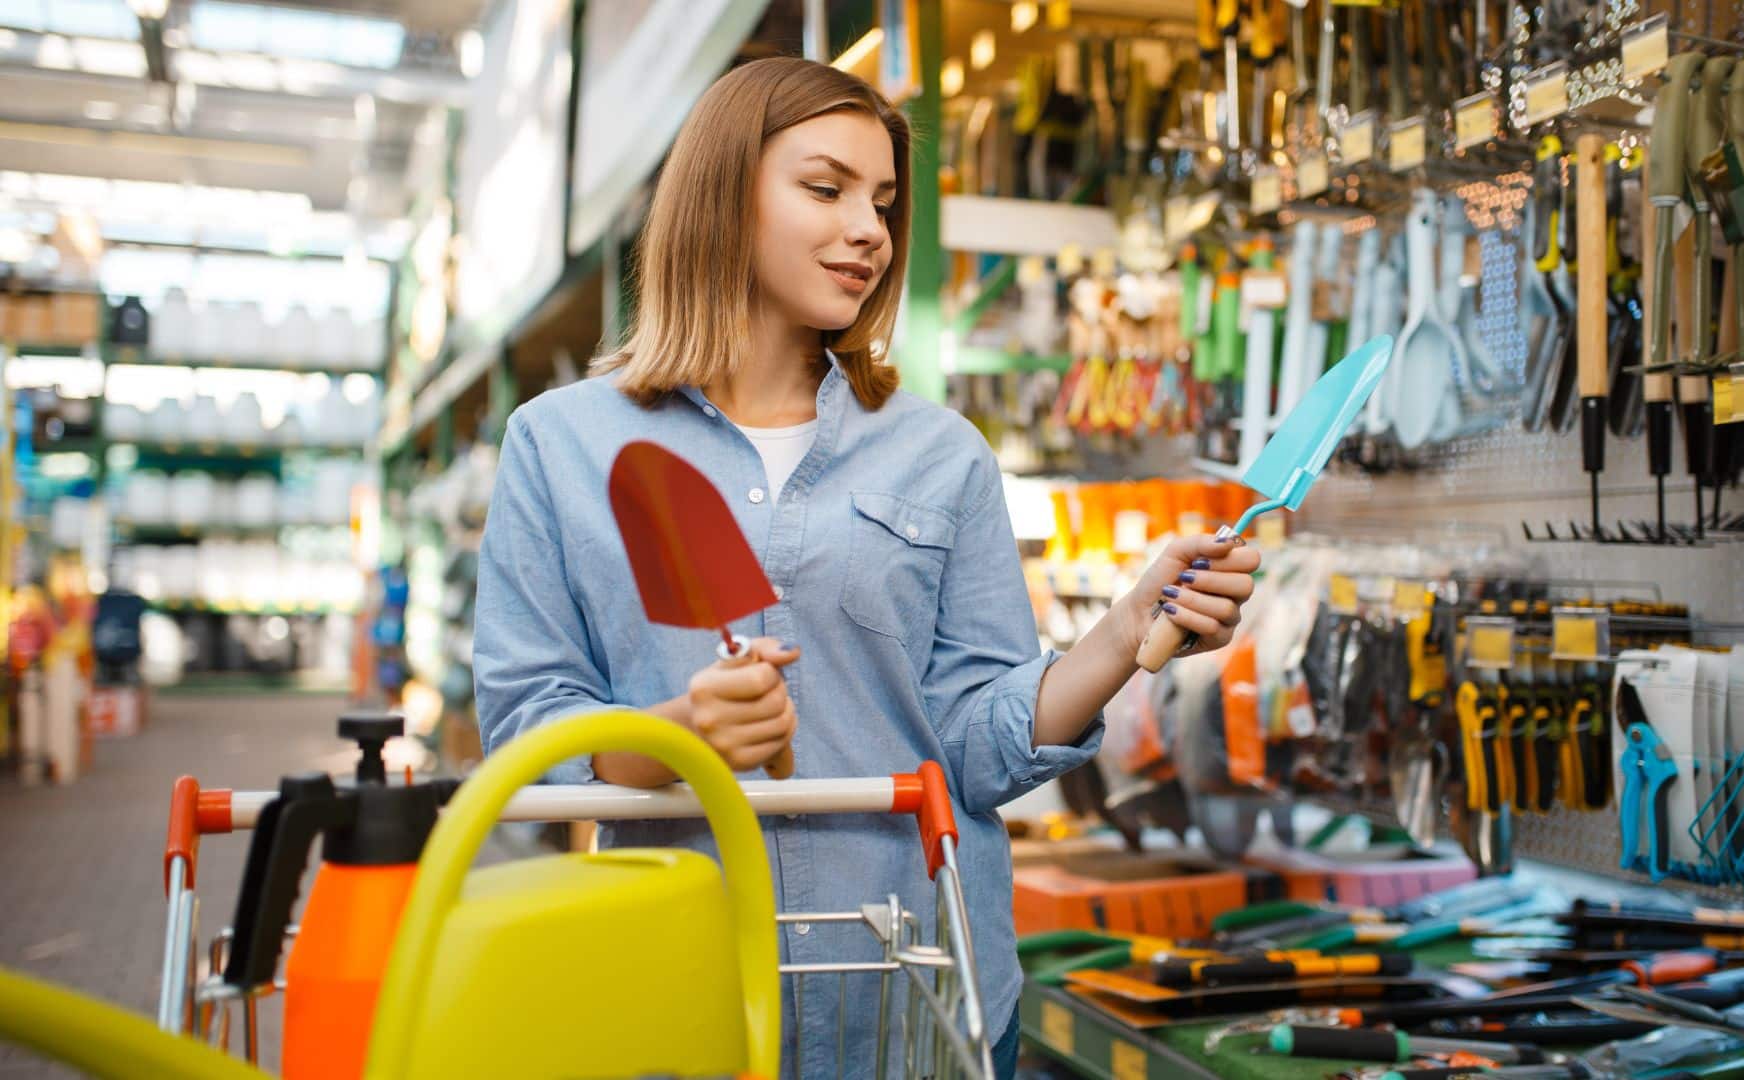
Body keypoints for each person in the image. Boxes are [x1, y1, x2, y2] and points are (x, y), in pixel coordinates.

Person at [474, 56, 1259, 1077]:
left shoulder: (938, 453)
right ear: (721, 193)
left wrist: (1122, 637)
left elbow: (973, 745)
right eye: (826, 188)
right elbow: (529, 739)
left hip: (920, 996)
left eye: (884, 203)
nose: (871, 232)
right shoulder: (562, 445)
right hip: (685, 999)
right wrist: (680, 735)